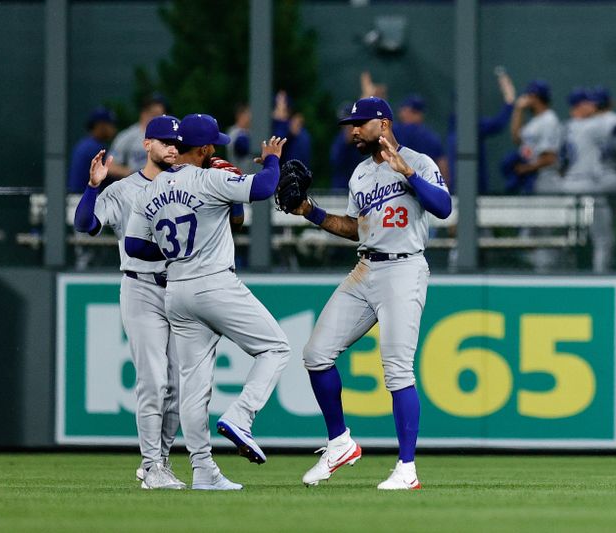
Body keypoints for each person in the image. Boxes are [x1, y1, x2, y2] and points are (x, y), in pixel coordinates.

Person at [288, 97, 452, 490]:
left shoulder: (418, 160)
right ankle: (340, 443)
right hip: (366, 267)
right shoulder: (360, 174)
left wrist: (408, 172)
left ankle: (407, 468)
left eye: (360, 123)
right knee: (315, 354)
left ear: (383, 122)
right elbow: (356, 228)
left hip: (404, 267)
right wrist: (309, 211)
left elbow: (444, 208)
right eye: (351, 124)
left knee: (397, 370)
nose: (354, 130)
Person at [124, 114, 291, 491]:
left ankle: (203, 470)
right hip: (214, 283)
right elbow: (265, 188)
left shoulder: (149, 189)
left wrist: (175, 249)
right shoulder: (209, 177)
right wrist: (273, 158)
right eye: (211, 144)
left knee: (193, 385)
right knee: (276, 348)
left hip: (176, 290)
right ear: (201, 149)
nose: (215, 149)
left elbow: (134, 245)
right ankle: (241, 416)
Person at [72, 115, 185, 490]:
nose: (172, 148)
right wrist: (93, 186)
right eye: (165, 141)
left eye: (176, 142)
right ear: (146, 145)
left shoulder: (188, 184)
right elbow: (85, 224)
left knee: (178, 386)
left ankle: (161, 462)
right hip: (141, 288)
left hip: (182, 289)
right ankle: (152, 465)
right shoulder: (123, 190)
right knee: (153, 381)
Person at [560, 76, 616, 272]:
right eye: (587, 102)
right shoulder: (589, 126)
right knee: (605, 240)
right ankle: (600, 278)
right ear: (578, 106)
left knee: (570, 240)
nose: (592, 105)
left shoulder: (565, 127)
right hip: (587, 187)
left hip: (564, 186)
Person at [446, 67, 516, 193]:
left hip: (457, 192)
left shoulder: (455, 122)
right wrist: (509, 100)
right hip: (472, 190)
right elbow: (499, 123)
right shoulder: (468, 124)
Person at [505, 79, 561, 194]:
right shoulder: (536, 120)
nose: (525, 98)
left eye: (528, 95)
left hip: (545, 181)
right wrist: (518, 110)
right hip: (532, 178)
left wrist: (525, 168)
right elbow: (516, 138)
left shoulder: (549, 120)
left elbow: (550, 158)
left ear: (535, 97)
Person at [108, 94, 168, 178]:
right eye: (155, 114)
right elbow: (110, 166)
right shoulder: (127, 136)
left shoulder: (169, 135)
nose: (159, 118)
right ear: (144, 113)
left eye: (161, 115)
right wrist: (131, 173)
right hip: (136, 186)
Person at [393, 94, 448, 179]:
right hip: (424, 185)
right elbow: (443, 165)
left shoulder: (396, 131)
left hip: (398, 185)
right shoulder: (431, 137)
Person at [67, 107, 118, 193]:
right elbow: (112, 170)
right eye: (111, 124)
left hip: (76, 197)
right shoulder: (93, 147)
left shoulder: (84, 143)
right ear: (101, 126)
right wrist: (134, 172)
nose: (113, 129)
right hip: (83, 198)